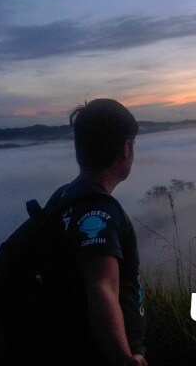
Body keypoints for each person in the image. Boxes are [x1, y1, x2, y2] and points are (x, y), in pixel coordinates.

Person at [41, 98, 147, 366]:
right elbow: (102, 288)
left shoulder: (64, 197)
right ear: (125, 149)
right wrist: (124, 359)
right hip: (96, 356)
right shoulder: (99, 213)